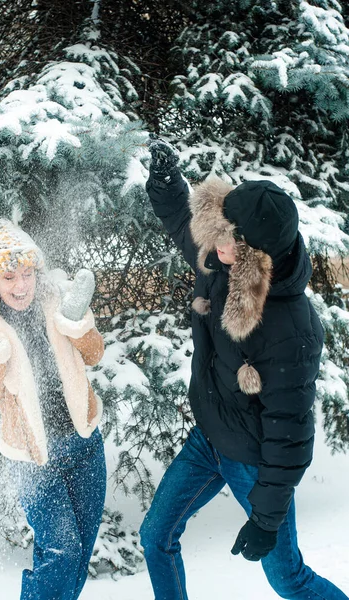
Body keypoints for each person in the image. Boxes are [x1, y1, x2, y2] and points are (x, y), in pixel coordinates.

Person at [139, 138, 349, 600]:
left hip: (254, 460)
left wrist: (266, 520)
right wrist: (165, 178)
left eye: (231, 235)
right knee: (155, 537)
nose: (218, 241)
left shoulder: (290, 329)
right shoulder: (222, 260)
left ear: (257, 255)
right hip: (209, 438)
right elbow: (183, 224)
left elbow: (291, 434)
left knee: (287, 577)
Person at [0, 219, 106, 600]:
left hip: (84, 446)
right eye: (8, 277)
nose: (21, 286)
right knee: (60, 554)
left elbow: (94, 353)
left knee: (78, 554)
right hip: (32, 458)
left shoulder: (58, 296)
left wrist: (76, 323)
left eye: (26, 273)